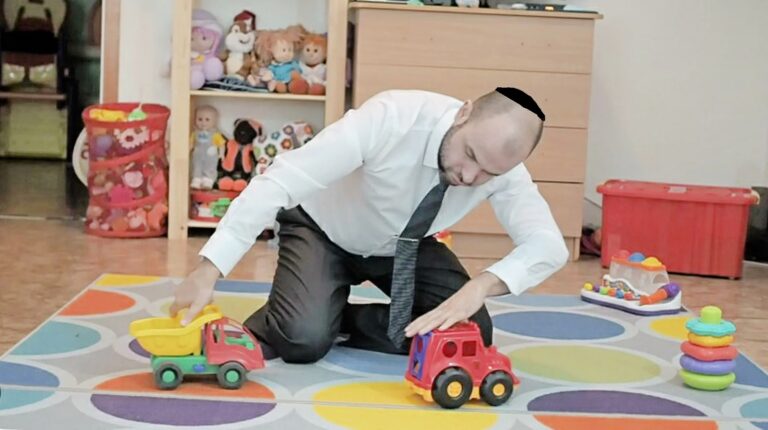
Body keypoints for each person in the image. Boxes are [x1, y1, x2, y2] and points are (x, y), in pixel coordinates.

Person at [170, 87, 569, 363]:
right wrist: (209, 268)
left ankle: (336, 316)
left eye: (488, 173)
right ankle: (306, 316)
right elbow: (282, 179)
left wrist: (480, 286)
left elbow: (548, 245)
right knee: (302, 340)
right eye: (470, 155)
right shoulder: (393, 117)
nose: (469, 176)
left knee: (470, 334)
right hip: (321, 229)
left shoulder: (502, 170)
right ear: (463, 113)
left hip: (404, 246)